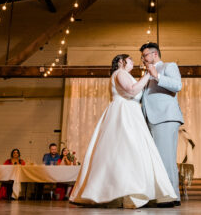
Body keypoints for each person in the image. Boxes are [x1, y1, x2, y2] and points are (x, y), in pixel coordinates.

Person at [69, 54, 177, 208]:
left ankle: (136, 192)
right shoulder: (120, 73)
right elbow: (132, 91)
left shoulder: (126, 75)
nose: (133, 62)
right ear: (121, 62)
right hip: (122, 113)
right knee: (124, 151)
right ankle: (124, 193)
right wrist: (148, 75)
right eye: (130, 59)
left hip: (132, 113)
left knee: (134, 152)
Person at [140, 42, 183, 207]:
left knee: (165, 159)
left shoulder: (168, 66)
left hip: (165, 117)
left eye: (145, 56)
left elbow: (177, 85)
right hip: (152, 119)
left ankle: (167, 197)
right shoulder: (147, 73)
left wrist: (157, 76)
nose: (143, 59)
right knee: (166, 159)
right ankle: (174, 195)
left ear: (154, 54)